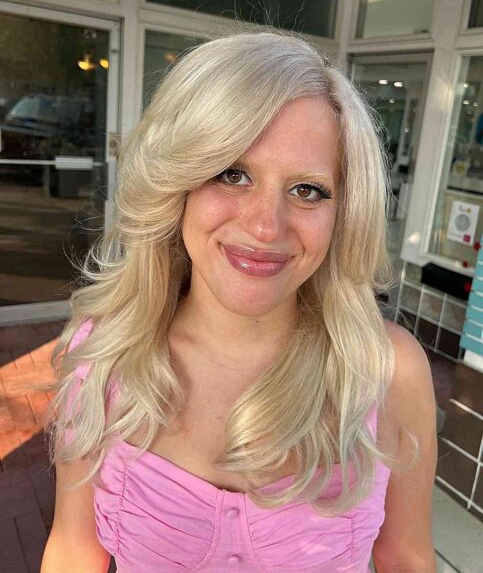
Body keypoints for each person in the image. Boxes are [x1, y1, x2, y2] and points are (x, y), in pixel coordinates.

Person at [41, 30, 437, 573]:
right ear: (177, 186)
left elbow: (406, 556)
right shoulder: (104, 353)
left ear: (344, 214)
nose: (265, 225)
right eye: (232, 174)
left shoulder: (387, 372)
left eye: (307, 190)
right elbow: (74, 547)